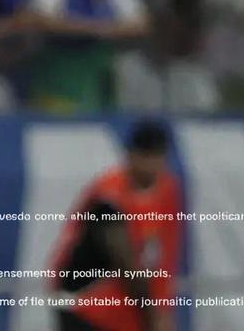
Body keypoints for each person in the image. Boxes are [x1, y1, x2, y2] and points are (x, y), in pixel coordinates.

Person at [48, 120, 182, 331]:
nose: (152, 165)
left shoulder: (168, 190)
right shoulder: (109, 196)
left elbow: (165, 253)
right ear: (130, 156)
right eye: (145, 156)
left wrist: (163, 307)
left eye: (158, 157)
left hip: (123, 305)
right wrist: (152, 313)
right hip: (84, 299)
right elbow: (124, 260)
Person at [29, 0, 149, 113]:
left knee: (130, 66)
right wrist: (100, 29)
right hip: (58, 68)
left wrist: (84, 27)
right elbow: (45, 22)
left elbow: (141, 24)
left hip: (100, 69)